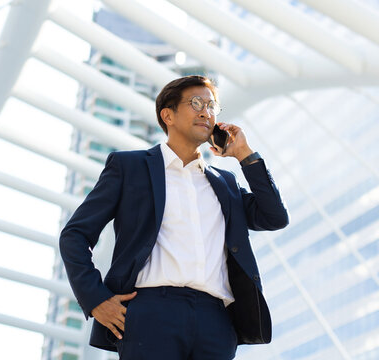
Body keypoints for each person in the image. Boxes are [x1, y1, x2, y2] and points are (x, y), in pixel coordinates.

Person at [59, 75, 289, 359]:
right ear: (167, 115)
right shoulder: (129, 167)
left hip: (216, 322)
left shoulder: (225, 183)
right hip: (151, 314)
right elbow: (75, 236)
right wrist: (96, 299)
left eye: (212, 105)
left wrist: (245, 154)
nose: (206, 111)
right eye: (196, 103)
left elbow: (274, 217)